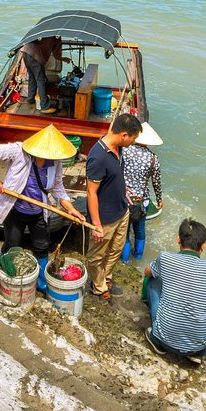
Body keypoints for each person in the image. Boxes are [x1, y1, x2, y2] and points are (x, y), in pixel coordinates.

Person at [0, 125, 88, 292]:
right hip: (15, 209)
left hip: (38, 212)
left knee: (42, 245)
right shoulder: (19, 151)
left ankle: (41, 281)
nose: (47, 158)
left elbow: (58, 187)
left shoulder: (55, 162)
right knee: (12, 243)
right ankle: (6, 271)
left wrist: (70, 208)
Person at [144, 218, 206, 364]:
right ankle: (196, 352)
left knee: (152, 280)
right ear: (202, 247)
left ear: (178, 239)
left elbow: (147, 271)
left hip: (164, 339)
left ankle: (156, 339)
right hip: (198, 346)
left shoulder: (165, 258)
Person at [85, 113, 142, 301]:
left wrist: (122, 188)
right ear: (124, 135)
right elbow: (91, 192)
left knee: (116, 249)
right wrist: (96, 224)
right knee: (96, 256)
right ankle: (98, 287)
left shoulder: (118, 147)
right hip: (105, 217)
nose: (133, 142)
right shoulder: (98, 157)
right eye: (133, 138)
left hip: (122, 210)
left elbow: (114, 175)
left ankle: (106, 277)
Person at [122, 121, 165, 261]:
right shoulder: (153, 159)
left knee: (124, 233)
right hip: (142, 201)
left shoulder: (124, 151)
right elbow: (156, 182)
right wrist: (159, 200)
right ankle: (139, 257)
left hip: (124, 198)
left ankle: (125, 260)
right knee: (140, 231)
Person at [17, 37, 54, 112]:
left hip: (25, 52)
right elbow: (57, 52)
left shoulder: (43, 30)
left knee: (32, 77)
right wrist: (63, 59)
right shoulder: (56, 37)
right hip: (34, 55)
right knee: (41, 80)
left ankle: (30, 99)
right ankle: (44, 106)